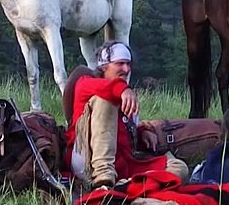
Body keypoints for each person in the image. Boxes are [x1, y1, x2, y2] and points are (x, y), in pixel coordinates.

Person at [66, 40, 189, 190]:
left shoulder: (124, 95)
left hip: (122, 164)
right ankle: (102, 181)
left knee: (179, 168)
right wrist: (123, 89)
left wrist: (141, 133)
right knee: (105, 100)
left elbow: (120, 131)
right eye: (120, 63)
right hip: (87, 163)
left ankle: (125, 188)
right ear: (104, 65)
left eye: (129, 64)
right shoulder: (86, 83)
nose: (126, 69)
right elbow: (106, 90)